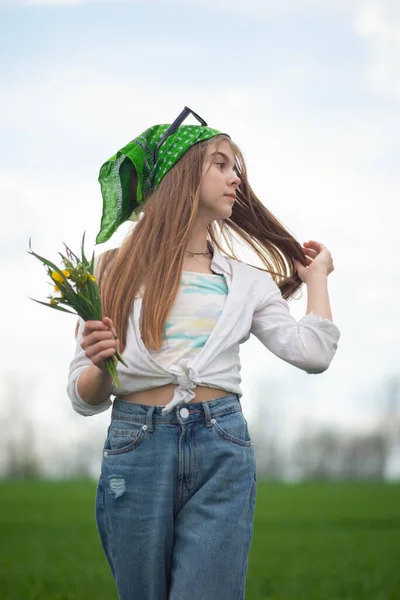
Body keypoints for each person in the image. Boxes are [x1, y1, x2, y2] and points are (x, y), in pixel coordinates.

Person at [67, 106, 340, 600]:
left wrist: (316, 278)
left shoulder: (248, 282)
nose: (235, 177)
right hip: (136, 446)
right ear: (180, 176)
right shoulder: (110, 269)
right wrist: (101, 365)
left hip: (221, 445)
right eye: (220, 164)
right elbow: (83, 395)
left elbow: (313, 352)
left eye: (235, 166)